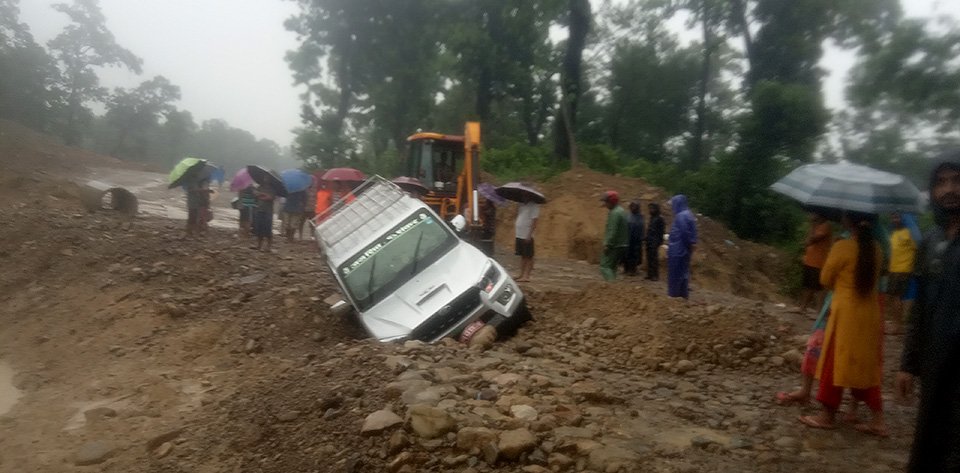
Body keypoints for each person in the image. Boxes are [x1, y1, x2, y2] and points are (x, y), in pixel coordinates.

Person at [897, 157, 960, 472]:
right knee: (929, 438)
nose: (949, 190)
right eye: (942, 182)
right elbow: (920, 305)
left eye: (956, 180)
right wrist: (908, 363)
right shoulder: (931, 242)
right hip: (935, 365)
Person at [799, 211, 887, 437]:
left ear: (848, 221)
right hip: (870, 315)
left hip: (845, 313)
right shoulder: (876, 249)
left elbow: (825, 280)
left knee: (833, 362)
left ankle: (827, 415)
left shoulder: (843, 247)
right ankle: (878, 419)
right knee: (865, 365)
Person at [885, 211, 917, 334]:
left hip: (903, 270)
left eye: (897, 216)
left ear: (903, 218)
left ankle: (897, 326)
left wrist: (912, 267)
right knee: (892, 298)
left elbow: (917, 249)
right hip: (893, 270)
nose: (895, 219)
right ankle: (895, 323)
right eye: (893, 216)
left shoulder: (910, 232)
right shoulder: (893, 233)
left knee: (897, 298)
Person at [799, 212, 833, 315]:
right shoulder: (817, 226)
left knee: (818, 288)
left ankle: (819, 312)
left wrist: (812, 225)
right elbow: (808, 241)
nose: (812, 215)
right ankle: (803, 308)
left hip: (819, 262)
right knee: (808, 286)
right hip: (810, 261)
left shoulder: (825, 226)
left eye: (814, 213)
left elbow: (811, 240)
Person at [667, 195, 697, 298]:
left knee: (675, 273)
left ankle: (674, 295)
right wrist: (691, 244)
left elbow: (684, 232)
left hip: (678, 249)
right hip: (683, 249)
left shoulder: (681, 216)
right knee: (683, 273)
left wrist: (688, 243)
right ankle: (683, 296)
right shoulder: (688, 214)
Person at [600, 191, 628, 281]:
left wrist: (607, 244)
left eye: (606, 202)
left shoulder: (614, 213)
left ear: (611, 202)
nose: (604, 204)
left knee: (605, 266)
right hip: (622, 244)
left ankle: (612, 288)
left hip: (615, 245)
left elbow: (612, 230)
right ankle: (613, 288)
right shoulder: (621, 211)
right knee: (612, 268)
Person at [514, 193, 540, 282]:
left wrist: (529, 235)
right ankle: (521, 274)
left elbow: (535, 222)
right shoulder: (521, 205)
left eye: (525, 195)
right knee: (522, 255)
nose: (523, 196)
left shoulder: (534, 206)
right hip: (519, 234)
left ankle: (526, 276)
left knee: (528, 256)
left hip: (526, 234)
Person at [252, 183, 276, 252]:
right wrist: (262, 195)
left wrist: (261, 194)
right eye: (265, 177)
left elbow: (270, 197)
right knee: (259, 228)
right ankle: (259, 245)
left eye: (267, 177)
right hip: (259, 209)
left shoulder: (272, 189)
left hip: (268, 211)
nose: (265, 179)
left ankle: (269, 246)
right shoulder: (260, 186)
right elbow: (255, 194)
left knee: (268, 228)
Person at [623, 201, 645, 276]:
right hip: (627, 237)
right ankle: (626, 268)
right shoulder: (628, 215)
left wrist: (641, 238)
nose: (633, 208)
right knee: (626, 254)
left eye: (635, 206)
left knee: (634, 254)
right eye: (632, 206)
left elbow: (641, 227)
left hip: (636, 239)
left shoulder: (640, 216)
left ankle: (633, 270)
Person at [645, 202, 665, 281]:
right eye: (650, 208)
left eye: (652, 208)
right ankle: (650, 274)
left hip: (655, 241)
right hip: (649, 240)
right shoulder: (652, 218)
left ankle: (655, 275)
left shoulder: (659, 218)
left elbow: (661, 231)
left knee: (654, 259)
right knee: (649, 258)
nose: (651, 210)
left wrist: (659, 241)